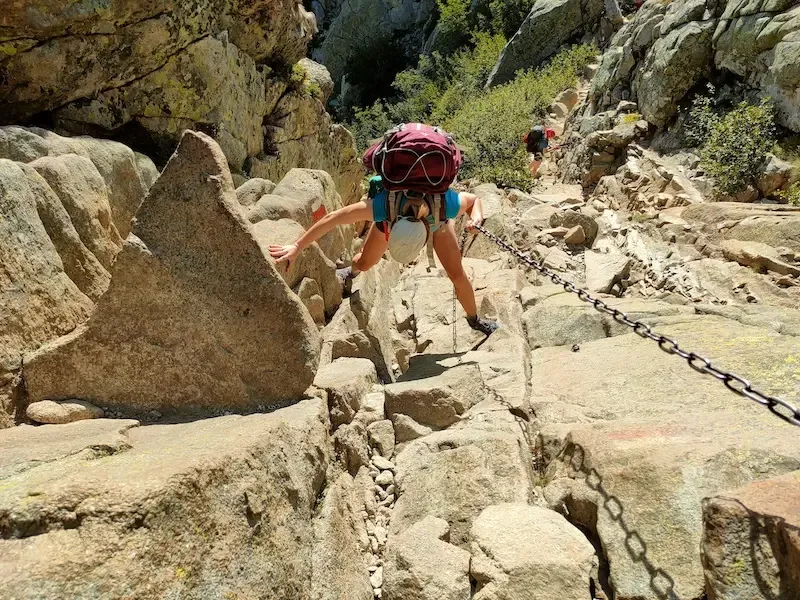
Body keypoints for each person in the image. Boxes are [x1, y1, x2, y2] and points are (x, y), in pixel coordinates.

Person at [268, 175, 500, 336]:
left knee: (457, 274)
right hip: (400, 222)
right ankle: (351, 270)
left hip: (437, 225)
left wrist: (476, 217)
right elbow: (334, 218)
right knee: (366, 262)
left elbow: (474, 201)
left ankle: (474, 320)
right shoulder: (383, 207)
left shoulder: (444, 205)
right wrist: (296, 247)